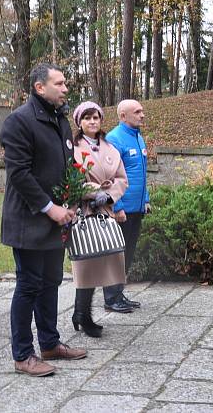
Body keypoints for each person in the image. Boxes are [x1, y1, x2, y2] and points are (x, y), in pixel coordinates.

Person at [0, 63, 86, 377]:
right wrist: (51, 208)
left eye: (66, 84)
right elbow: (19, 174)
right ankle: (23, 355)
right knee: (29, 286)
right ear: (40, 88)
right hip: (28, 221)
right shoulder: (19, 122)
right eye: (60, 84)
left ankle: (50, 343)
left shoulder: (60, 121)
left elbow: (67, 167)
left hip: (56, 219)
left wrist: (72, 201)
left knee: (50, 283)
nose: (65, 89)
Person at [70, 101, 131, 335]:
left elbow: (121, 178)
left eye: (95, 117)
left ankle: (82, 313)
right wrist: (92, 193)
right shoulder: (72, 148)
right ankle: (83, 314)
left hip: (105, 212)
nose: (92, 122)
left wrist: (108, 195)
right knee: (86, 264)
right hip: (83, 212)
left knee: (103, 262)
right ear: (79, 122)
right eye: (87, 118)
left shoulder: (110, 147)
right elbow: (70, 180)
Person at [103, 99, 150, 312]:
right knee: (116, 254)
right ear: (123, 116)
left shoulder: (138, 138)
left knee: (127, 253)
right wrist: (117, 206)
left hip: (137, 208)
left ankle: (118, 293)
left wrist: (146, 199)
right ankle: (111, 298)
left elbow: (141, 174)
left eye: (142, 111)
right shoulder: (114, 139)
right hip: (122, 210)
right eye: (137, 112)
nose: (142, 115)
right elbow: (109, 177)